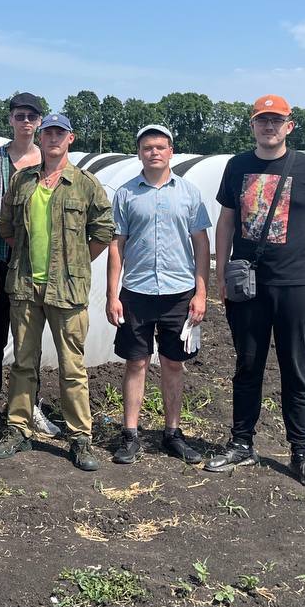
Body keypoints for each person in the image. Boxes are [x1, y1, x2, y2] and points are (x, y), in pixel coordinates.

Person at [206, 95, 305, 491]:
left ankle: (302, 453)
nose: (269, 127)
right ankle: (241, 443)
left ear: (289, 125)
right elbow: (226, 222)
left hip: (297, 285)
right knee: (248, 366)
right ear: (253, 126)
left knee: (296, 370)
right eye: (262, 121)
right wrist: (220, 272)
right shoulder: (237, 166)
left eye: (276, 121)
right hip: (248, 286)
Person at [0, 113, 114, 472]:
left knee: (72, 366)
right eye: (48, 133)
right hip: (26, 285)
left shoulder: (85, 184)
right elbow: (7, 226)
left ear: (70, 139)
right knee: (23, 363)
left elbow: (103, 230)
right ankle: (18, 428)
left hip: (68, 289)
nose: (53, 139)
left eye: (60, 133)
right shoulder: (23, 181)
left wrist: (74, 261)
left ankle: (79, 437)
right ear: (40, 139)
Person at [105, 124, 211, 466]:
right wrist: (112, 293)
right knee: (135, 362)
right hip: (136, 291)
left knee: (173, 363)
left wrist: (201, 293)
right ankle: (131, 434)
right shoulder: (125, 194)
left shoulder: (190, 194)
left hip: (179, 293)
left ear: (171, 152)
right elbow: (116, 246)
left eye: (161, 147)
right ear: (139, 153)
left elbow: (201, 244)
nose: (154, 152)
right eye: (148, 147)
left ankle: (172, 433)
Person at [0, 92, 58, 446]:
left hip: (35, 265)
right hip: (1, 260)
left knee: (30, 340)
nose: (26, 122)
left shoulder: (49, 161)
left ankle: (28, 404)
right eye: (20, 115)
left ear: (40, 122)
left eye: (32, 117)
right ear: (10, 120)